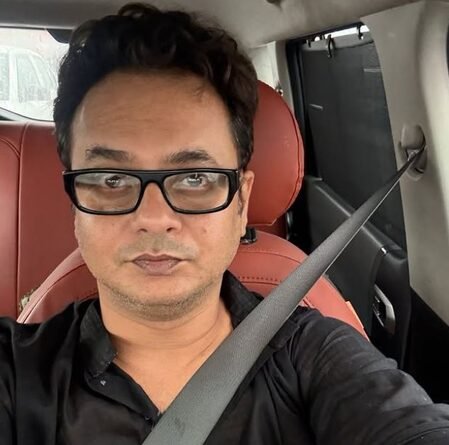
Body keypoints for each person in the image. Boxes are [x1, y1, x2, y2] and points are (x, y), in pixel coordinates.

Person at [1, 3, 449, 444]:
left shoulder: (318, 355)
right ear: (75, 203)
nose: (154, 218)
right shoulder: (16, 374)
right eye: (111, 179)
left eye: (195, 178)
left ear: (241, 203)